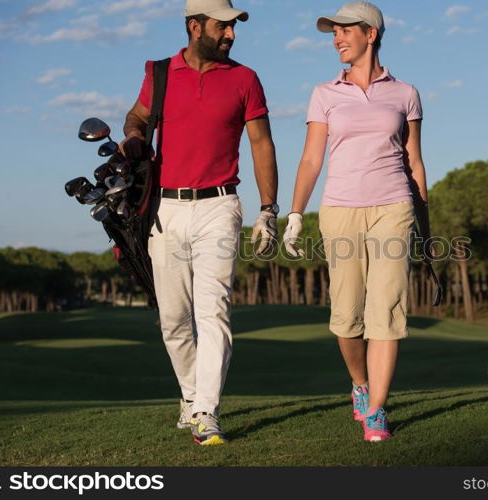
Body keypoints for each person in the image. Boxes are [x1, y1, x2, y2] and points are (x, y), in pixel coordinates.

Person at [121, 0, 279, 446]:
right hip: (165, 209)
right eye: (222, 27)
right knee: (173, 319)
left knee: (214, 312)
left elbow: (261, 143)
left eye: (233, 28)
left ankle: (206, 412)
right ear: (194, 27)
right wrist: (134, 136)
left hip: (219, 207)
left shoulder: (245, 79)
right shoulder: (160, 73)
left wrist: (269, 210)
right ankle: (191, 398)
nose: (230, 35)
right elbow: (136, 116)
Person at [283, 1, 428, 442]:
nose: (336, 39)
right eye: (333, 33)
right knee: (347, 315)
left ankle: (378, 412)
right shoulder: (325, 93)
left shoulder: (405, 93)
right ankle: (360, 386)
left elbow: (414, 162)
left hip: (393, 207)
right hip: (340, 209)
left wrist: (425, 224)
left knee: (386, 311)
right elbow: (311, 158)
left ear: (370, 33)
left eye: (344, 31)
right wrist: (294, 215)